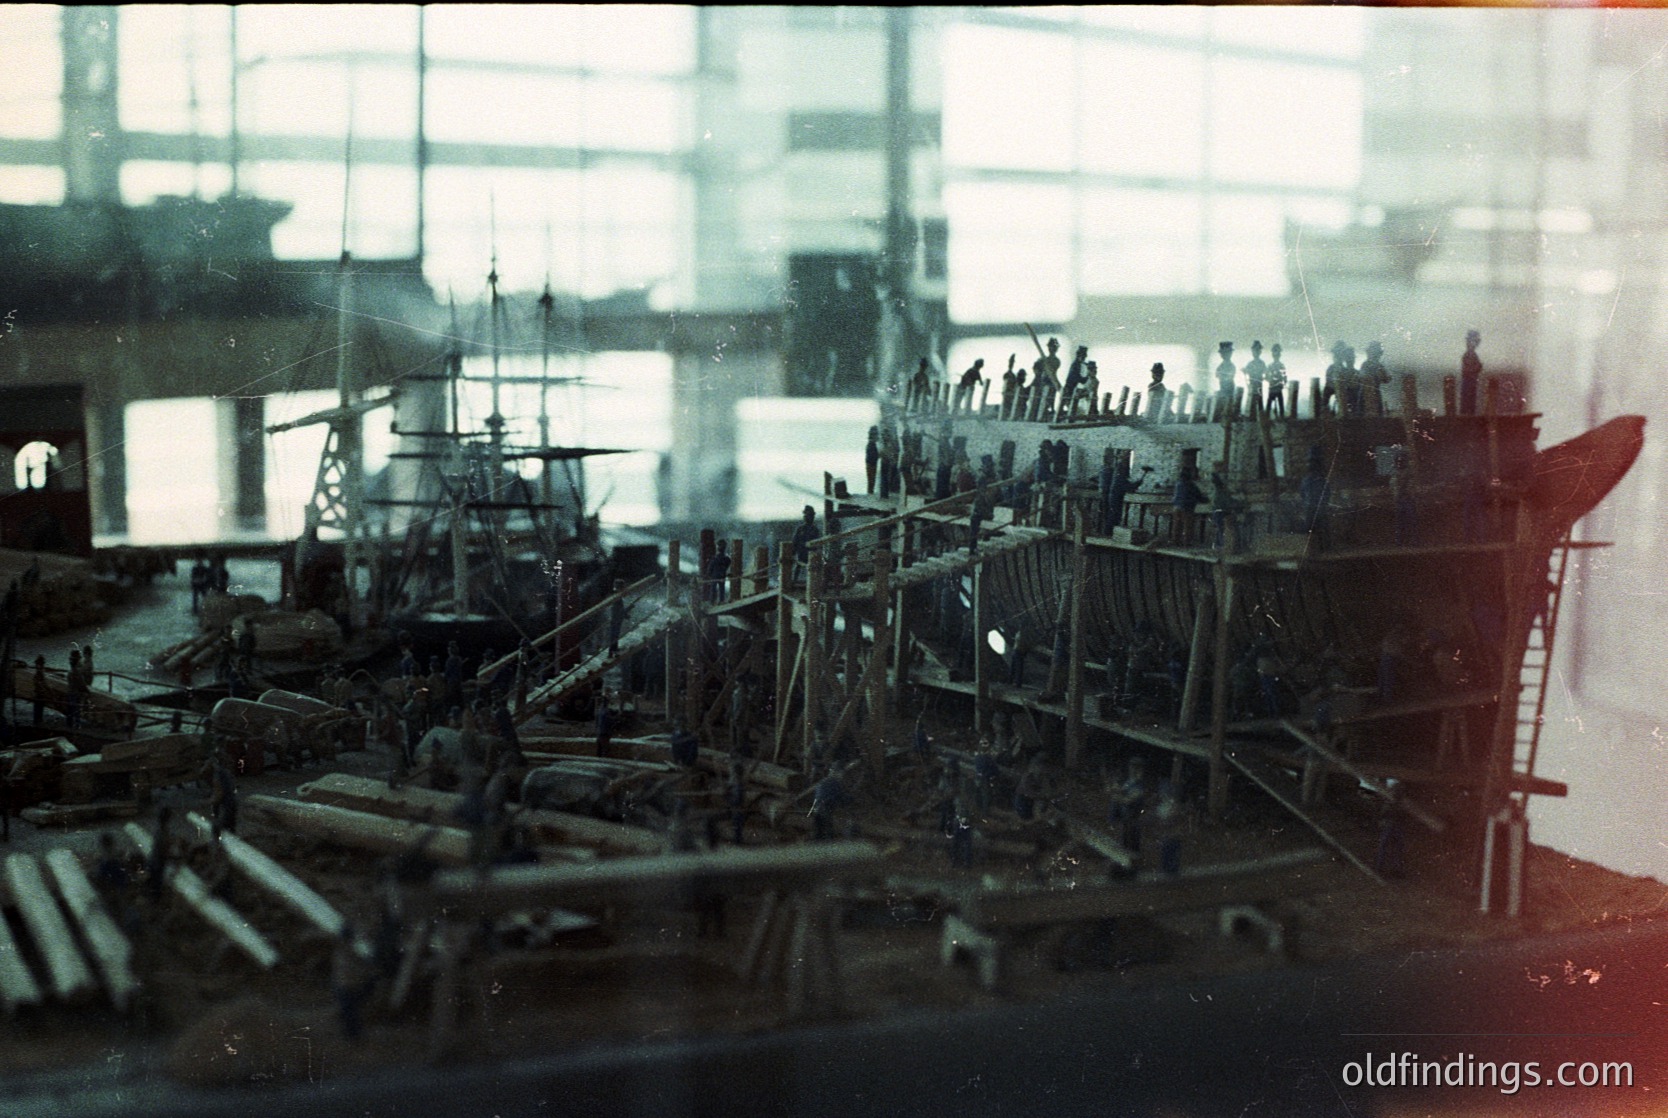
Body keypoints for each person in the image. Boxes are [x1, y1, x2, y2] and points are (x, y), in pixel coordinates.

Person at [790, 505, 818, 588]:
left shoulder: (815, 529)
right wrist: (793, 552)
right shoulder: (801, 529)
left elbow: (817, 542)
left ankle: (812, 584)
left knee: (812, 568)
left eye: (809, 516)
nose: (806, 517)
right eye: (806, 515)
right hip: (801, 552)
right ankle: (794, 582)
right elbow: (795, 540)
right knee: (798, 567)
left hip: (811, 553)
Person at [1460, 330, 1482, 416]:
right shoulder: (1469, 354)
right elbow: (1469, 369)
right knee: (1468, 401)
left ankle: (1468, 416)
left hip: (1470, 380)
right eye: (1474, 341)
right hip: (1469, 380)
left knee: (1469, 401)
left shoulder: (1471, 354)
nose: (1476, 344)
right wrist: (1478, 367)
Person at [1242, 341, 1268, 415]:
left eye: (1257, 350)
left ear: (1260, 352)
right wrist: (1244, 371)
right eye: (1254, 350)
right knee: (1252, 400)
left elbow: (1266, 372)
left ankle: (1260, 414)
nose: (1256, 352)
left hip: (1258, 384)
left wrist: (1265, 377)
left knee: (1259, 400)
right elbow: (1246, 371)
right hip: (1252, 384)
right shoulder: (1250, 363)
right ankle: (1253, 415)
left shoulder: (1261, 363)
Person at [1266, 343, 1288, 418]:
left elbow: (1284, 376)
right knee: (1273, 404)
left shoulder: (1279, 365)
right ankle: (1271, 416)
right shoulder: (1271, 366)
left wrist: (1284, 382)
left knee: (1277, 403)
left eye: (1278, 353)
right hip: (1274, 387)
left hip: (1276, 387)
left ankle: (1277, 416)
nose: (1277, 355)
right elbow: (1267, 376)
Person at [864, 426, 880, 494]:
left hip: (870, 463)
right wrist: (879, 455)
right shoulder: (871, 444)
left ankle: (870, 492)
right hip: (871, 464)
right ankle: (870, 492)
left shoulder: (870, 444)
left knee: (871, 480)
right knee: (871, 480)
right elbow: (873, 455)